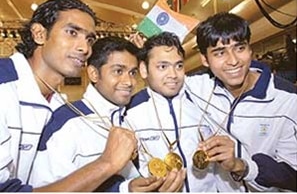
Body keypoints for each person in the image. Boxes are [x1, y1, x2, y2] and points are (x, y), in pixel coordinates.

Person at [0, 0, 137, 192]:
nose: (85, 48)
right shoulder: (4, 88)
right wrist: (106, 164)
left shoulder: (58, 105)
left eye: (89, 39)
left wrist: (126, 188)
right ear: (40, 34)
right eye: (72, 33)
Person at [29, 36, 186, 192]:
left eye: (132, 73)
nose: (129, 82)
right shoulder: (66, 122)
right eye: (118, 71)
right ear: (94, 74)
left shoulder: (129, 117)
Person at [185, 12, 297, 192]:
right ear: (205, 60)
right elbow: (161, 80)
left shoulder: (288, 100)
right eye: (220, 52)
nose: (233, 61)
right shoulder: (199, 87)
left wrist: (241, 166)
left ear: (250, 50)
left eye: (239, 48)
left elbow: (292, 176)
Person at [125, 31, 218, 192]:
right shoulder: (129, 114)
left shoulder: (203, 100)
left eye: (179, 66)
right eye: (162, 67)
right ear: (144, 70)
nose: (173, 75)